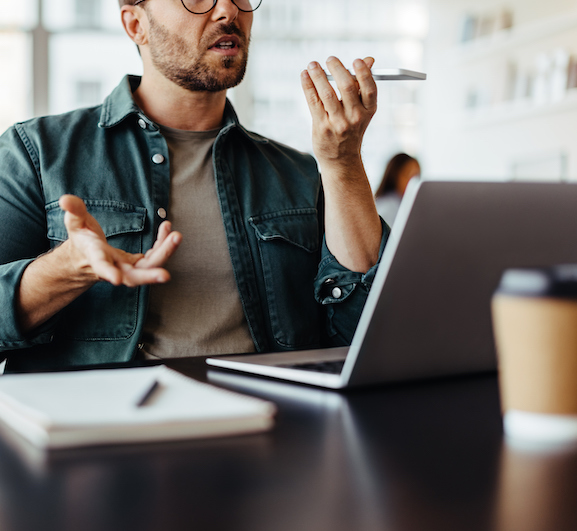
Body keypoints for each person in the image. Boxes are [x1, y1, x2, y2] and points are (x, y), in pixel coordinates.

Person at [0, 0, 388, 372]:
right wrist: (66, 269)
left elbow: (368, 336)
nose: (229, 10)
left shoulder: (299, 175)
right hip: (103, 430)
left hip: (271, 424)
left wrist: (342, 163)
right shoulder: (35, 153)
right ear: (136, 25)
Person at [374, 153, 420, 226]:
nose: (413, 181)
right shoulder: (386, 207)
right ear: (394, 176)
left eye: (417, 175)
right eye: (408, 175)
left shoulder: (407, 205)